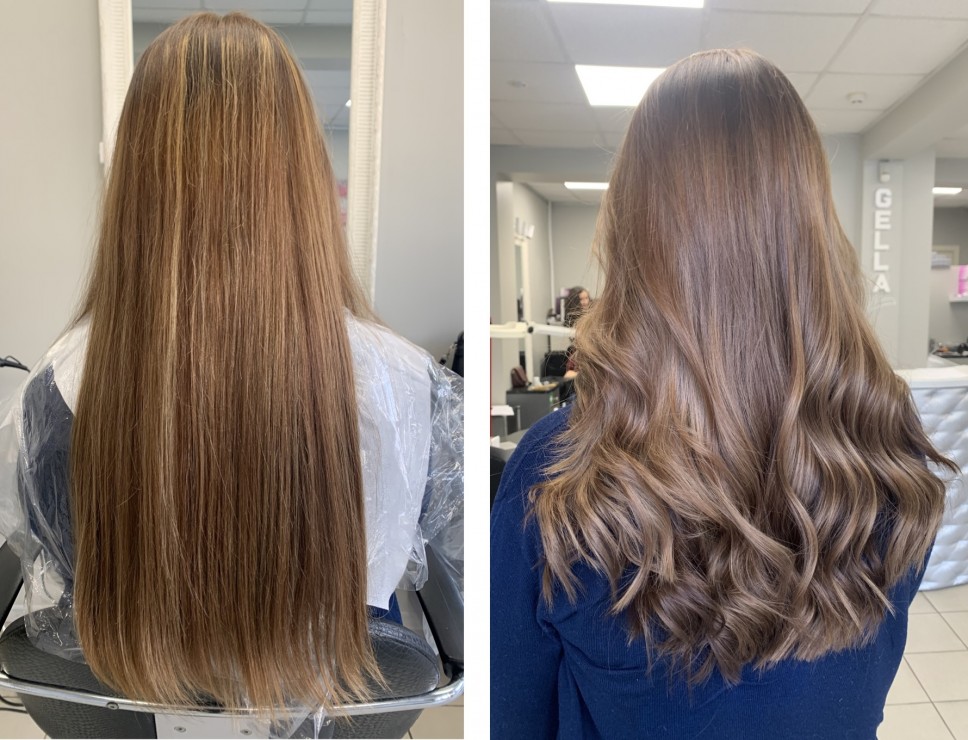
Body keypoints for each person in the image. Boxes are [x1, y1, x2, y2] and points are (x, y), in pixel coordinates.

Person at [0, 12, 462, 723]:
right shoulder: (408, 388)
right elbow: (455, 612)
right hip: (332, 720)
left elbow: (47, 573)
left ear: (135, 178)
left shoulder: (54, 394)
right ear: (305, 175)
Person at [491, 48, 955, 740]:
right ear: (812, 229)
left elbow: (512, 717)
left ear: (634, 232)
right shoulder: (889, 462)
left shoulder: (558, 475)